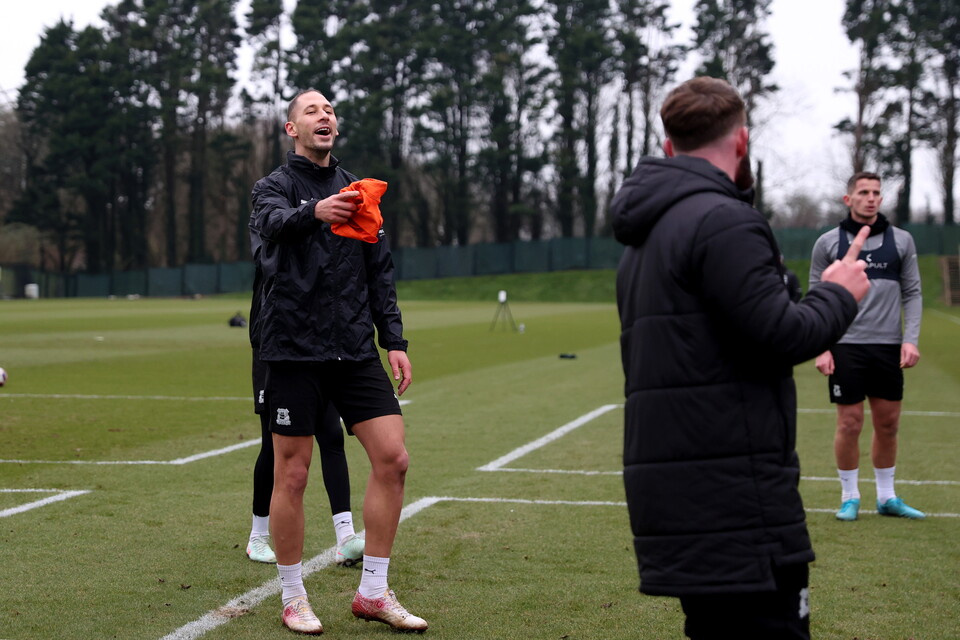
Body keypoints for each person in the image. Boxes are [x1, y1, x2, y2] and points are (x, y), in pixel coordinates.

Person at [611, 76, 871, 640]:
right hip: (734, 496)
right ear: (742, 141)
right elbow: (780, 335)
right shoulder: (724, 219)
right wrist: (839, 292)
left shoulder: (645, 233)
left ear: (670, 145)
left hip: (682, 488)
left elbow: (729, 329)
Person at [250, 89, 426, 635]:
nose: (324, 116)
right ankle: (293, 594)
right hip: (292, 349)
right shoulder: (272, 189)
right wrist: (314, 212)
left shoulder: (360, 191)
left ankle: (373, 591)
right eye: (312, 111)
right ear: (291, 129)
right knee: (294, 474)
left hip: (353, 348)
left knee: (393, 459)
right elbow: (271, 231)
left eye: (329, 110)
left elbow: (380, 270)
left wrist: (392, 339)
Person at [245, 226, 364, 567]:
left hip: (317, 346)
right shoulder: (271, 214)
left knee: (331, 434)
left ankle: (345, 537)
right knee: (273, 444)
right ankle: (257, 536)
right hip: (275, 348)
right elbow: (268, 257)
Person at [809, 172, 924, 522]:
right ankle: (849, 497)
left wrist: (910, 339)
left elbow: (913, 293)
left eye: (876, 192)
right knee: (850, 423)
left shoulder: (902, 241)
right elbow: (816, 296)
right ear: (849, 200)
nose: (871, 198)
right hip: (846, 345)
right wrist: (822, 346)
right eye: (863, 192)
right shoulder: (827, 243)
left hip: (888, 346)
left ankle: (887, 497)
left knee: (888, 423)